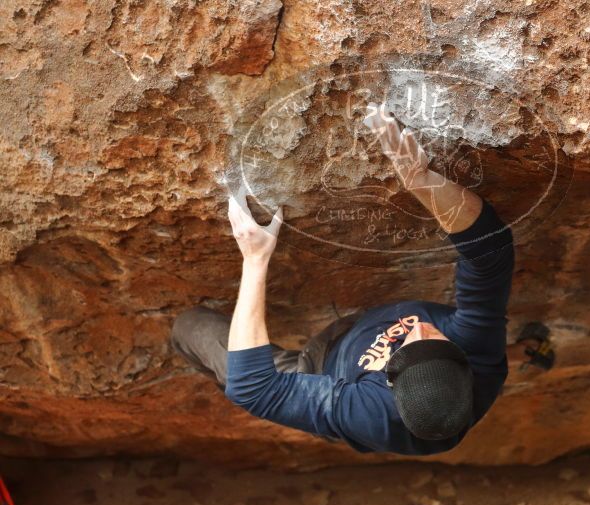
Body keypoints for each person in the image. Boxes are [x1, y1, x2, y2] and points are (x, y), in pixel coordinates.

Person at [171, 103, 515, 455]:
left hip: (318, 370)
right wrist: (423, 182)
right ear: (463, 363)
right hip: (355, 334)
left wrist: (255, 258)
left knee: (189, 326)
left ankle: (282, 390)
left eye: (408, 344)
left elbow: (253, 389)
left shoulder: (368, 415)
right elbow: (491, 252)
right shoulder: (476, 345)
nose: (421, 329)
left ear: (388, 381)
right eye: (436, 340)